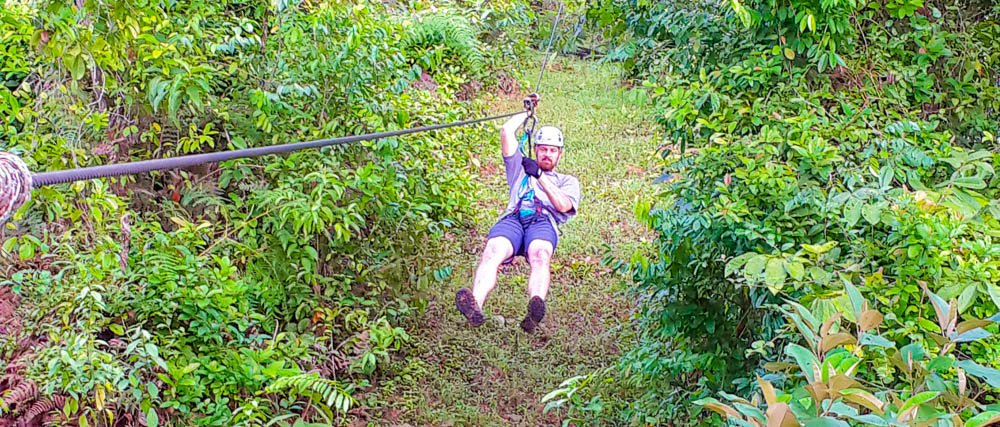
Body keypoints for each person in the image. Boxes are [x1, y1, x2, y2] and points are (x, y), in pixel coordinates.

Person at [454, 100, 582, 333]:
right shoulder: (519, 167)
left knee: (540, 255)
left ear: (559, 155)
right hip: (513, 217)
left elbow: (563, 206)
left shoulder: (568, 181)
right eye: (543, 149)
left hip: (543, 221)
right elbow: (506, 131)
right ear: (536, 149)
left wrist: (540, 176)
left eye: (552, 151)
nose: (547, 154)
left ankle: (535, 310)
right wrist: (526, 112)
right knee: (493, 251)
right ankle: (475, 306)